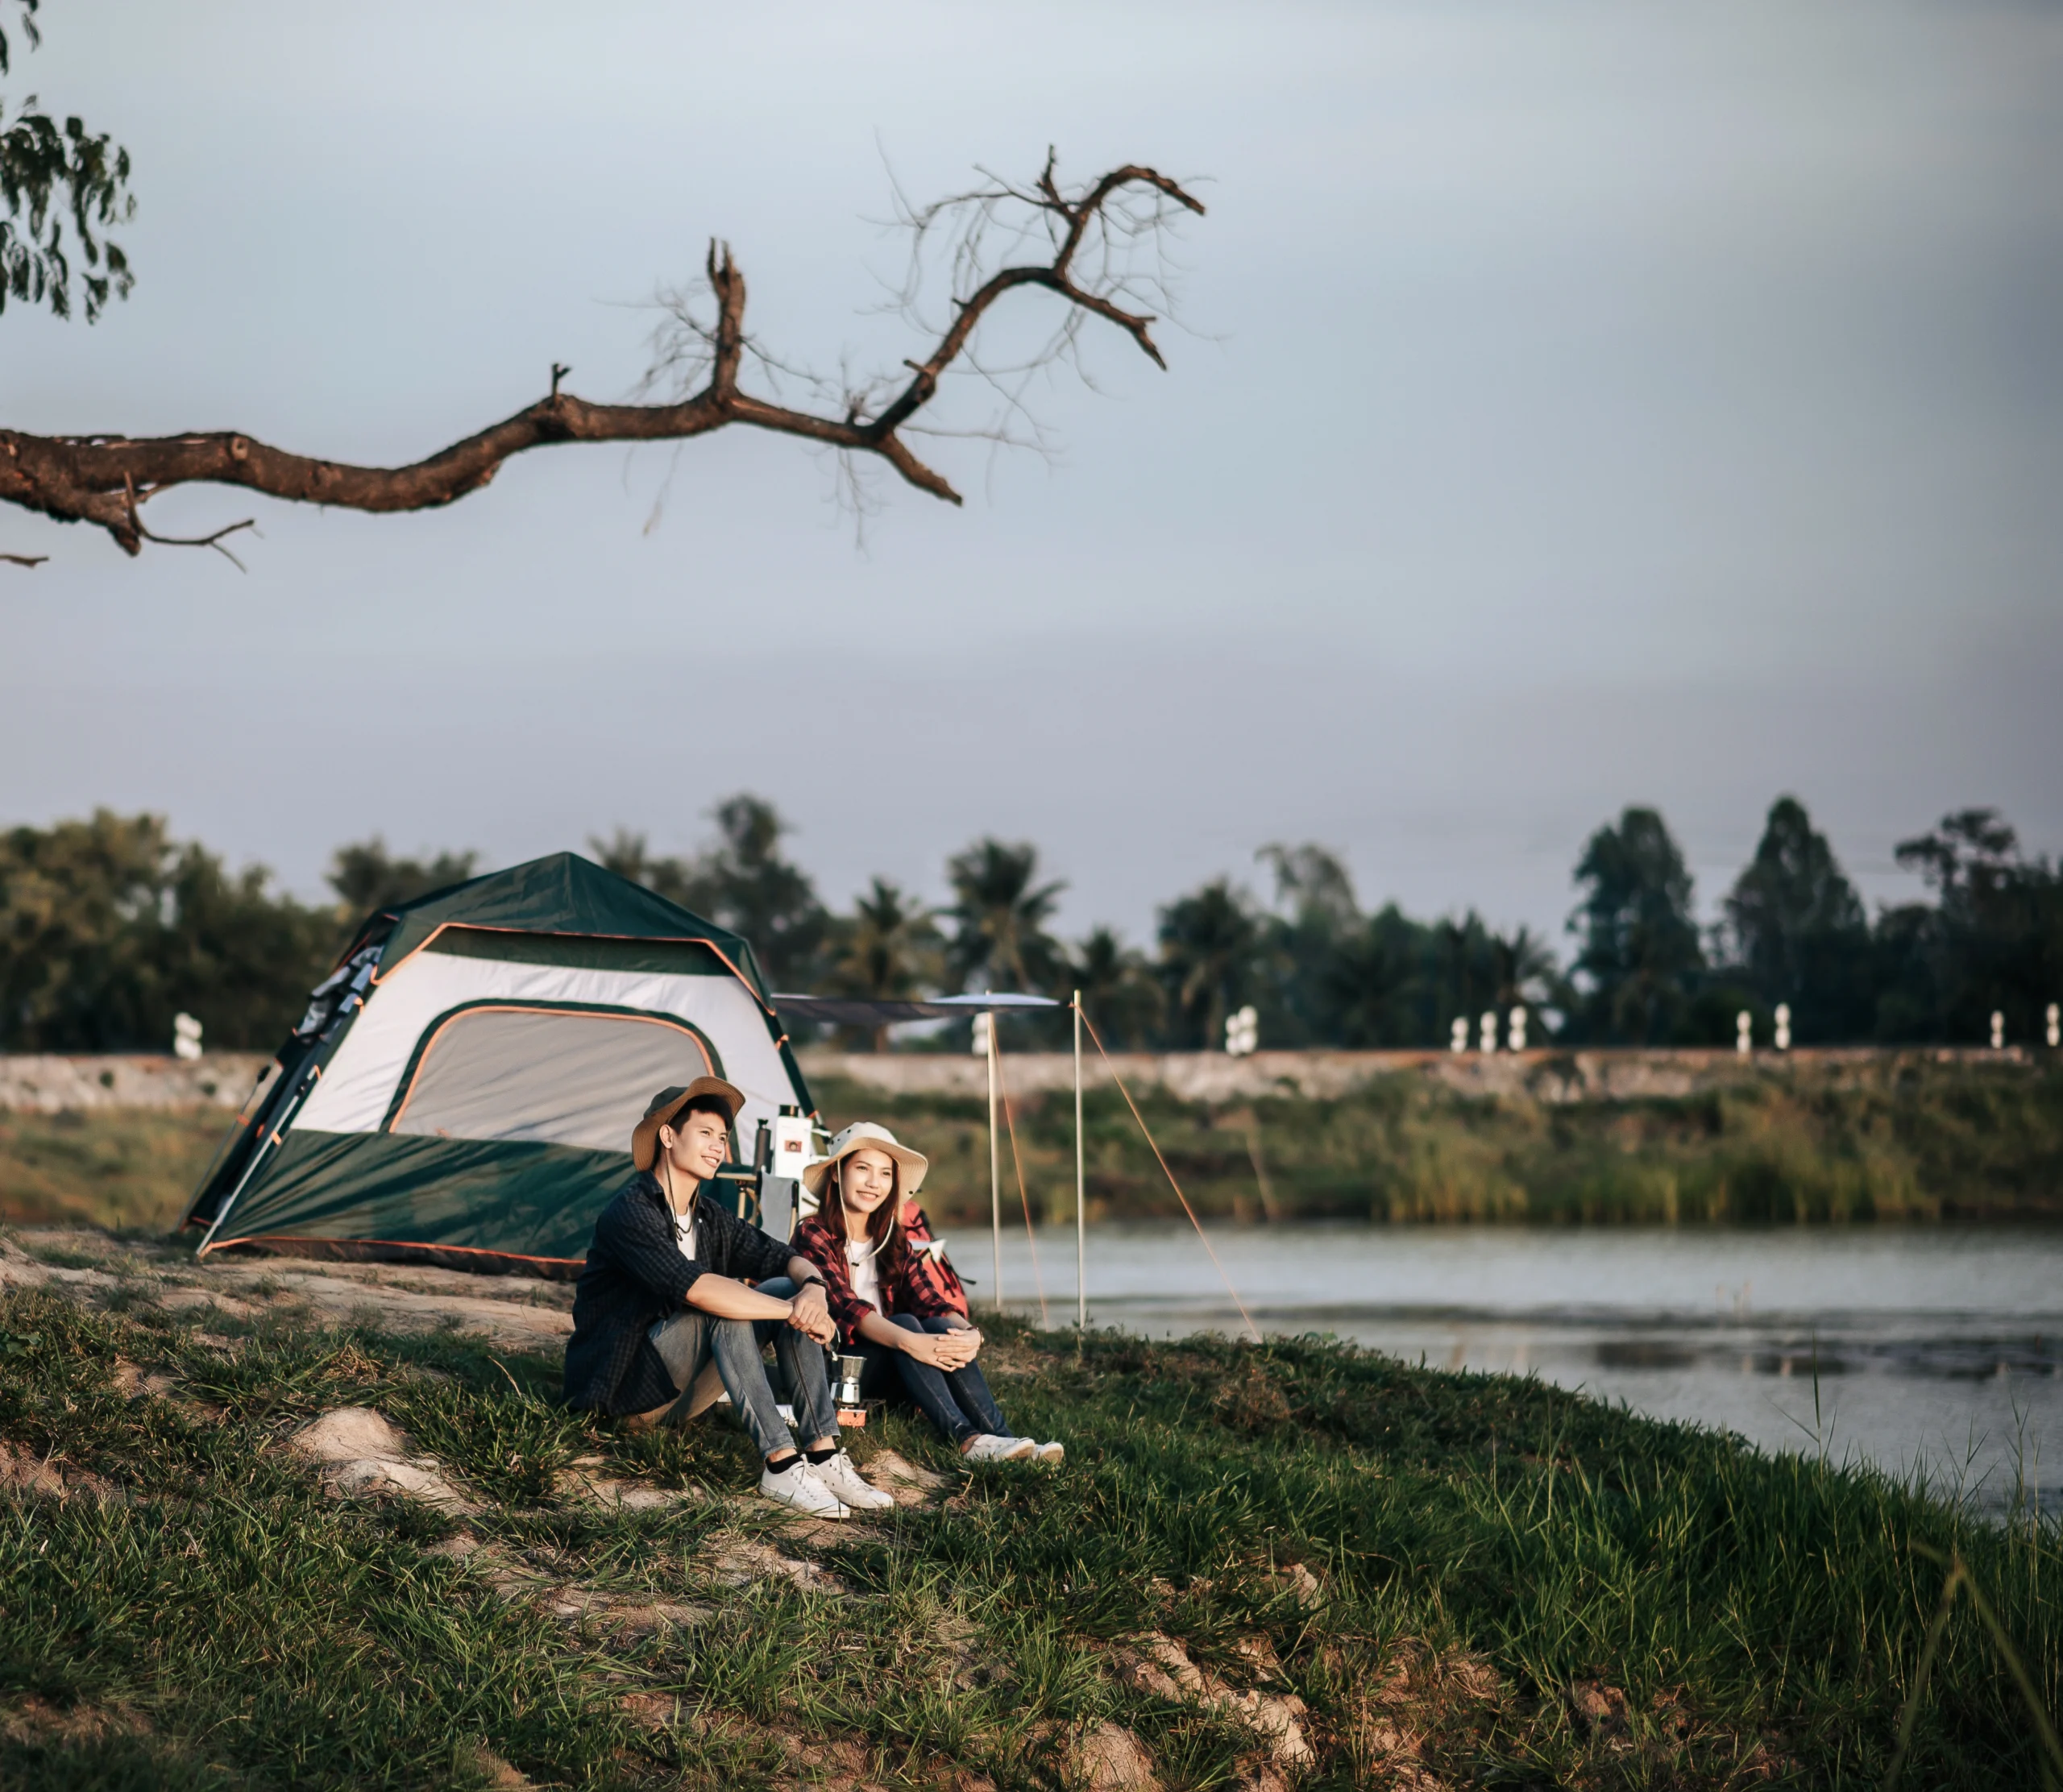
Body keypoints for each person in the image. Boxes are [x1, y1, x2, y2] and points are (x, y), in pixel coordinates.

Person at [563, 1078, 893, 1518]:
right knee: (727, 1306)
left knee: (784, 1286)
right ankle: (779, 1462)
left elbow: (785, 1256)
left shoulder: (709, 1216)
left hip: (681, 1398)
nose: (718, 1147)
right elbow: (696, 1288)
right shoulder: (631, 1212)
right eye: (705, 1135)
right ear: (668, 1136)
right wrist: (793, 1312)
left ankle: (823, 1453)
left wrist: (812, 1290)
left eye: (722, 1138)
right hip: (625, 1393)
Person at [791, 1121, 1061, 1465]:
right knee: (906, 1324)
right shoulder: (813, 1233)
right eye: (863, 1169)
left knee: (939, 1326)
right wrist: (909, 1340)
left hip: (897, 1366)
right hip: (838, 1369)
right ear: (836, 1174)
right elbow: (848, 1308)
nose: (874, 1183)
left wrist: (969, 1334)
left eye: (885, 1174)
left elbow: (931, 1300)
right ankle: (968, 1440)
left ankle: (1007, 1441)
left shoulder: (893, 1239)